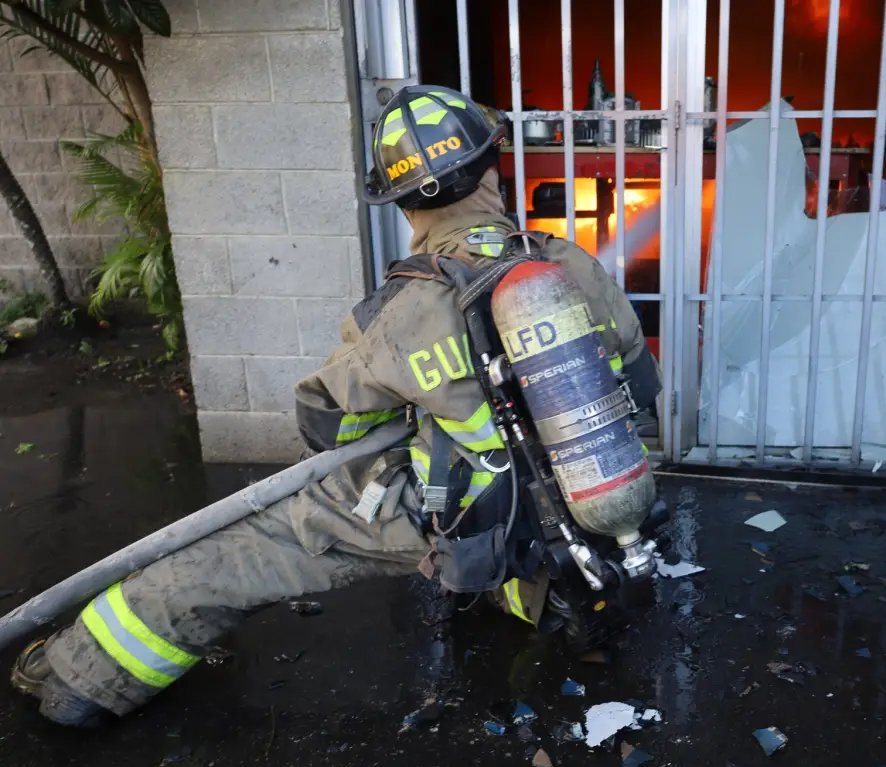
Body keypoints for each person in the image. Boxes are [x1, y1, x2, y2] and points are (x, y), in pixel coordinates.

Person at [11, 85, 661, 727]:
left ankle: (82, 677)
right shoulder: (568, 264)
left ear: (404, 201)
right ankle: (547, 595)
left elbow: (329, 419)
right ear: (496, 164)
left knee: (245, 546)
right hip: (584, 505)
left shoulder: (404, 309)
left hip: (454, 509)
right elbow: (641, 382)